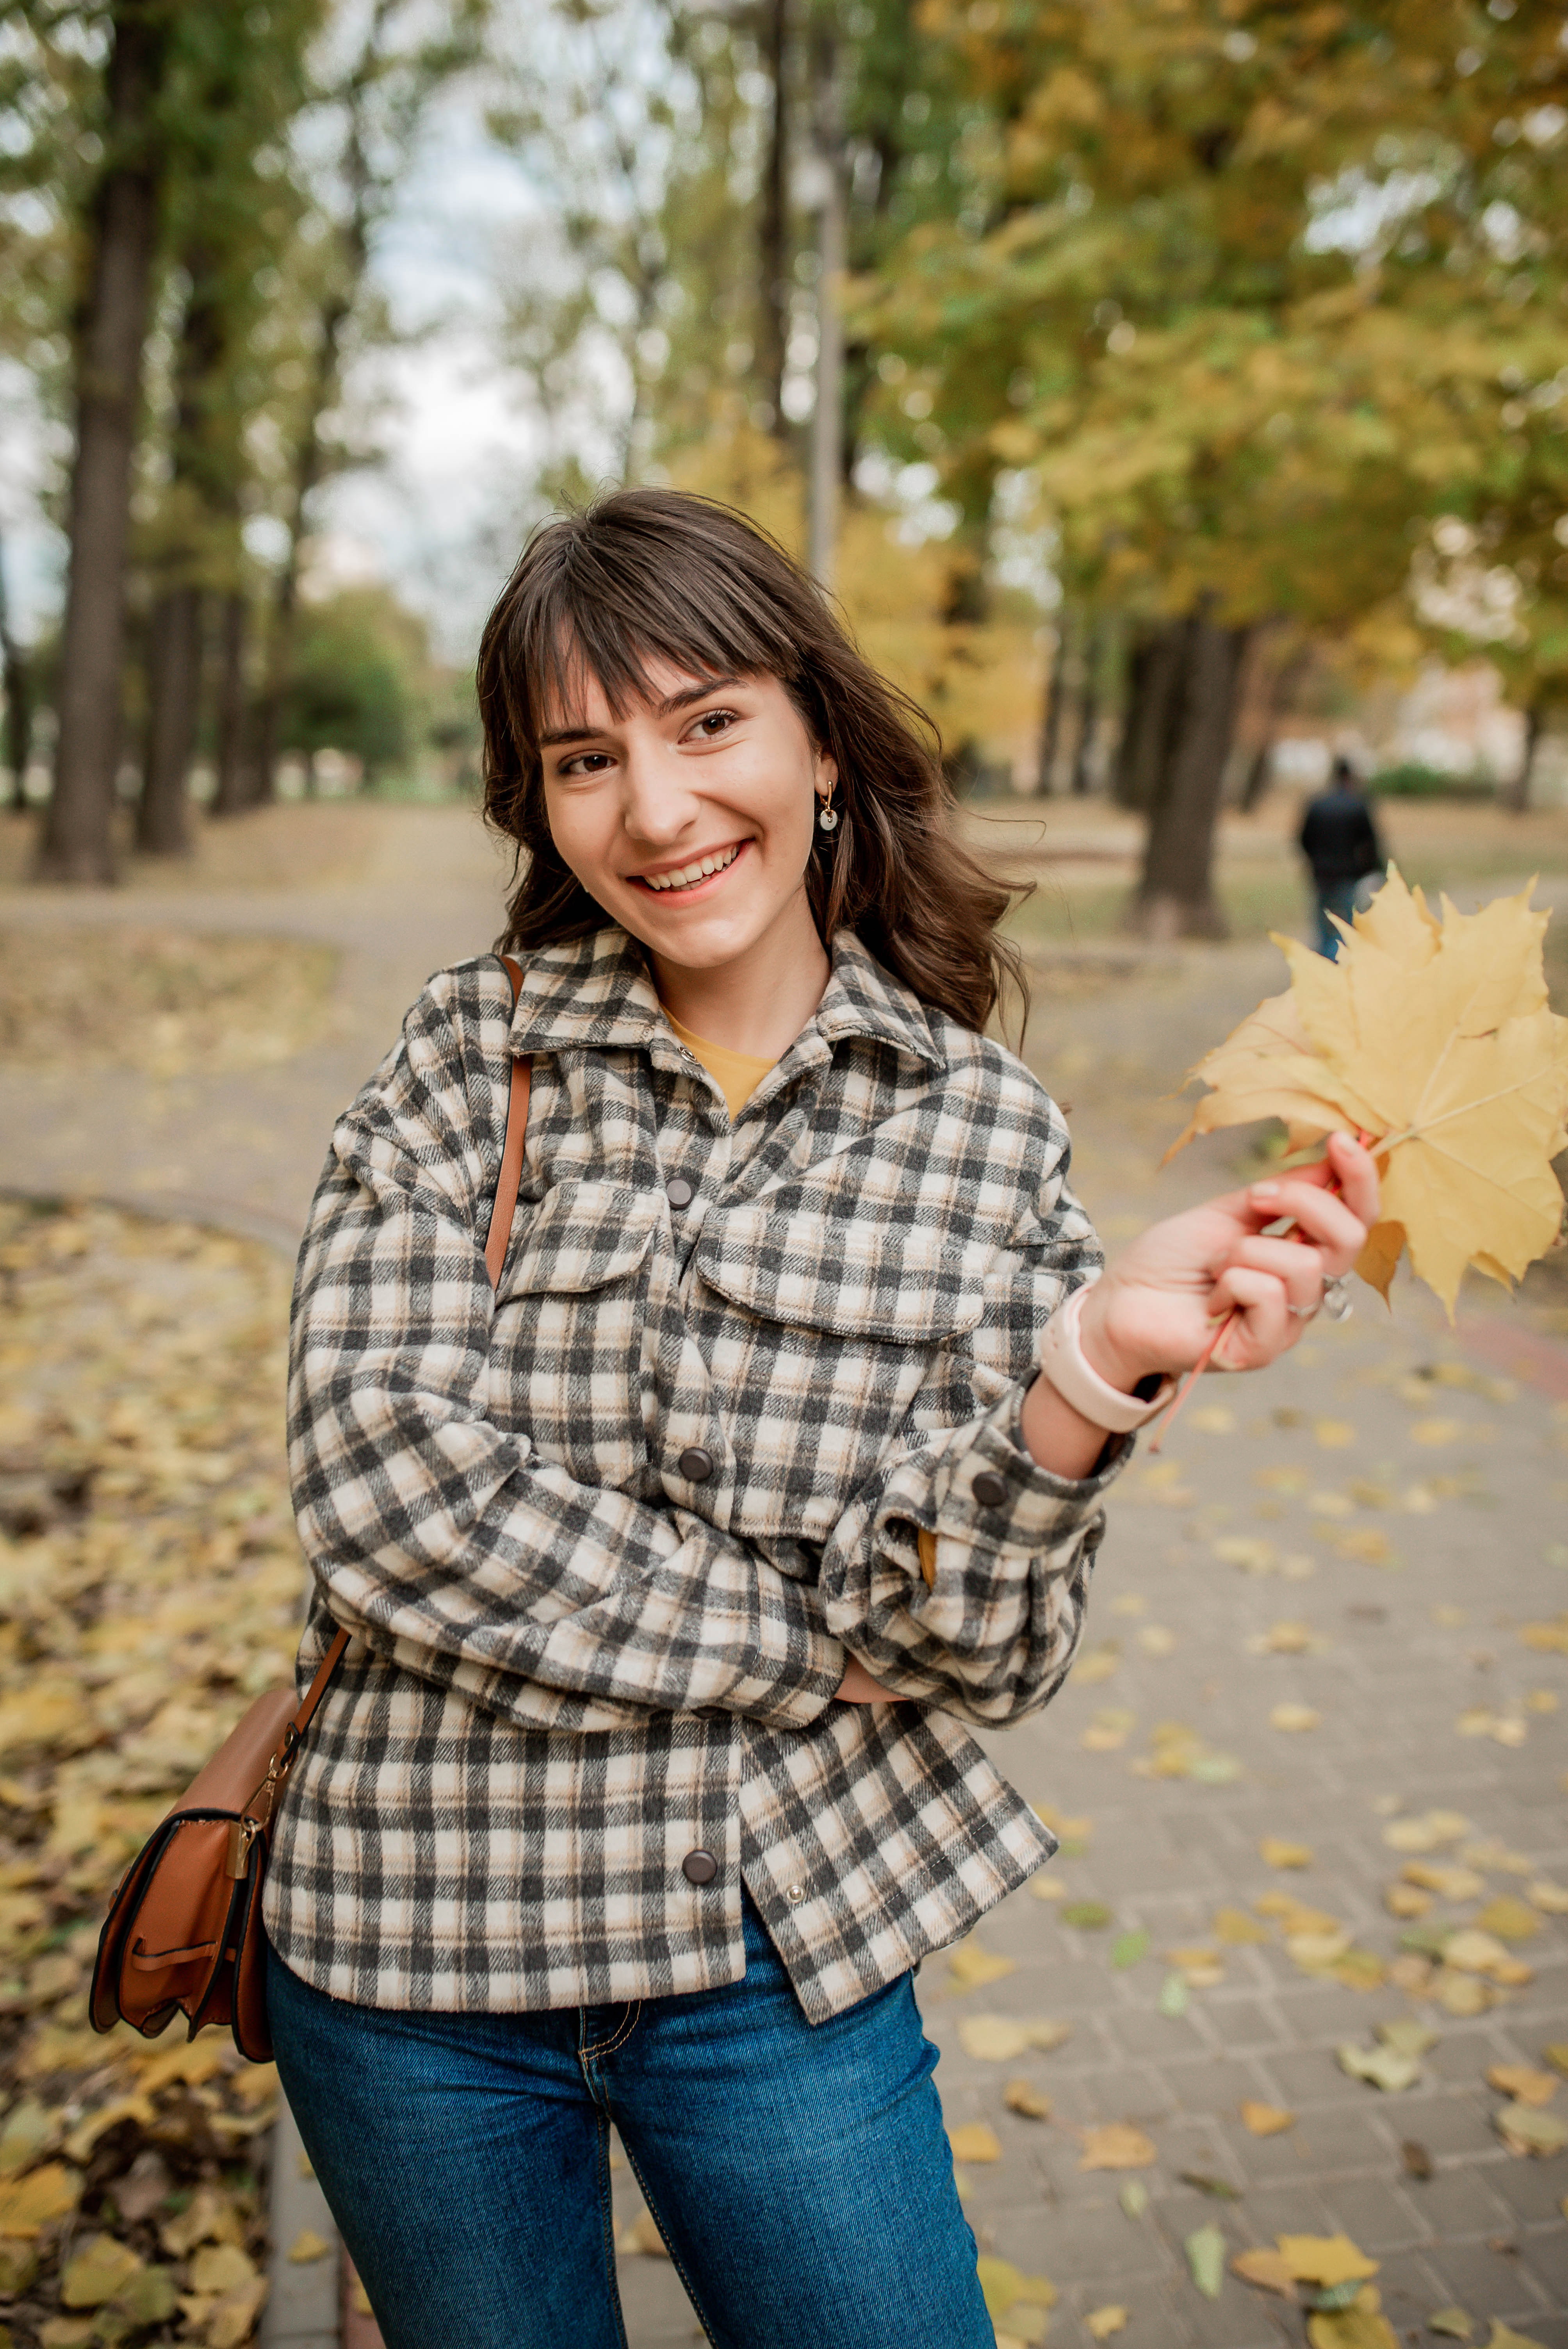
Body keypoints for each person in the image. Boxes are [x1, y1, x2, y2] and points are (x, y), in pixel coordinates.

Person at [262, 490, 1376, 2349]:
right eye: (585, 758)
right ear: (538, 803)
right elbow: (387, 1491)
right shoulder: (469, 1056)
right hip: (415, 1945)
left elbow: (969, 1645)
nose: (656, 807)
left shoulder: (979, 1129)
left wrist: (1087, 1365)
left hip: (771, 1957)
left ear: (820, 741)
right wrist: (804, 1643)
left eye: (707, 722)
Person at [1298, 754, 1386, 957]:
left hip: (1321, 875)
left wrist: (1314, 861)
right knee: (1345, 927)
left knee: (1323, 927)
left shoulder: (1317, 804)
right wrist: (1371, 869)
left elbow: (1303, 839)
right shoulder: (1358, 805)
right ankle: (1339, 964)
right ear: (1350, 776)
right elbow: (1371, 844)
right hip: (1349, 875)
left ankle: (1324, 961)